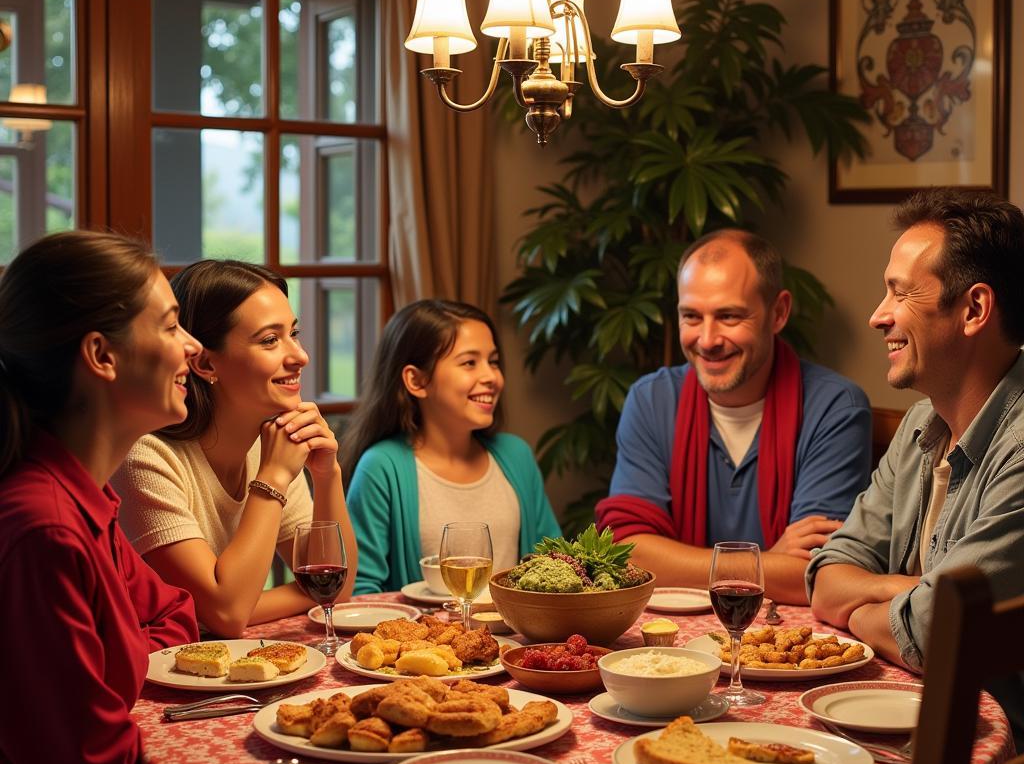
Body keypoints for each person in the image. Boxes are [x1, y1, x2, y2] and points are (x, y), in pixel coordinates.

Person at [0, 231, 326, 764]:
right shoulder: (45, 526)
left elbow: (177, 619)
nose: (189, 350)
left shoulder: (83, 498)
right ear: (101, 355)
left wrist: (129, 679)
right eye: (172, 325)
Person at [808, 188, 1024, 749]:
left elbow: (934, 635)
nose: (878, 316)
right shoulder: (920, 423)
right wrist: (903, 589)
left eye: (900, 293)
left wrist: (869, 613)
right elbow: (828, 578)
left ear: (974, 310)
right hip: (909, 728)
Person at [596, 229, 872, 604]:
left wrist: (677, 561)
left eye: (729, 316)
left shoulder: (836, 408)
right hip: (670, 647)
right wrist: (764, 561)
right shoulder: (651, 400)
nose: (707, 339)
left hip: (786, 650)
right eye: (691, 316)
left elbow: (818, 575)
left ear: (778, 313)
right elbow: (628, 554)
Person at [113, 260, 357, 638]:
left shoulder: (269, 445)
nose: (300, 356)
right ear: (206, 362)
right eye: (269, 340)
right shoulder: (146, 457)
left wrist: (327, 475)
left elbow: (334, 590)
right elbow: (227, 614)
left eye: (294, 333)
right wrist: (273, 477)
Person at [340, 299, 560, 594]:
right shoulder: (382, 466)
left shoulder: (516, 455)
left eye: (493, 361)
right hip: (424, 640)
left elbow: (554, 565)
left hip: (516, 638)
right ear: (417, 381)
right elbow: (361, 590)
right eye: (470, 363)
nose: (491, 377)